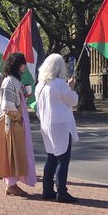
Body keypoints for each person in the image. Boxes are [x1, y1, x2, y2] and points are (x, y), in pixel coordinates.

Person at [35, 54, 80, 203]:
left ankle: (47, 189)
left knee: (52, 157)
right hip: (60, 124)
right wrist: (71, 88)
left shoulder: (40, 85)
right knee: (62, 159)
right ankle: (62, 191)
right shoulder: (59, 84)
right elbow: (72, 100)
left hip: (46, 124)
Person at [0, 52, 37, 197]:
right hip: (13, 124)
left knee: (16, 153)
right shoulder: (10, 81)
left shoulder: (12, 80)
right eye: (23, 64)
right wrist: (18, 118)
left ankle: (12, 183)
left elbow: (13, 101)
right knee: (13, 153)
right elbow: (8, 106)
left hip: (14, 122)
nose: (25, 67)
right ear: (19, 65)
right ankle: (12, 184)